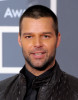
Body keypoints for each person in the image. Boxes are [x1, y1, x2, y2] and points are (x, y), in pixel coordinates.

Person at [0, 5, 78, 100]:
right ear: (20, 40)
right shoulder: (2, 91)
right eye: (29, 36)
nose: (37, 44)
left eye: (45, 36)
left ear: (58, 39)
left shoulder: (75, 91)